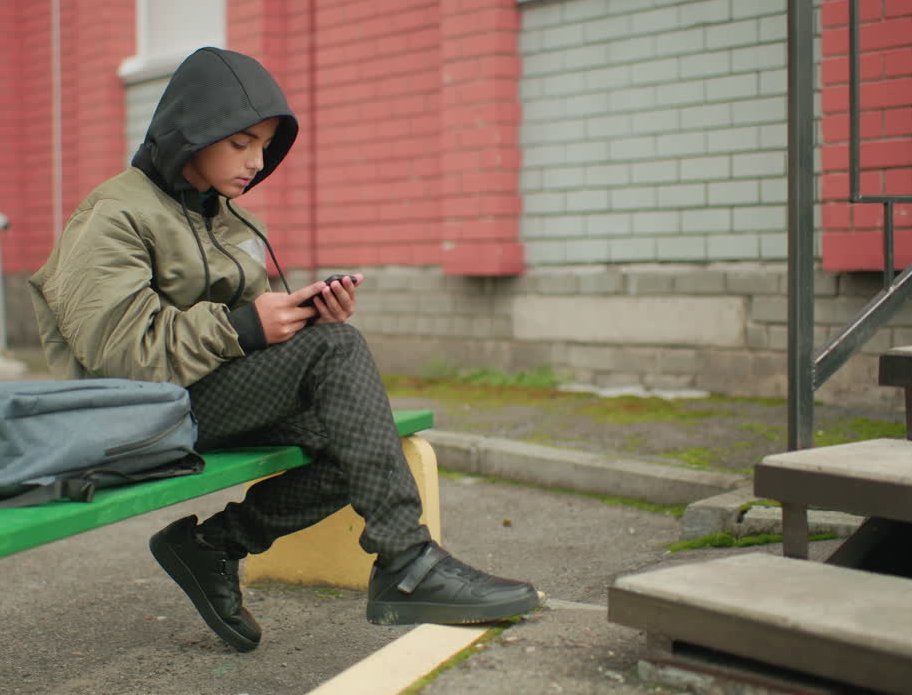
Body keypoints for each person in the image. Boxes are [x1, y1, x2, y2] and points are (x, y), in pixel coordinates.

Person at [29, 46, 543, 652]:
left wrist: (301, 318)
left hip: (199, 400)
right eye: (242, 142)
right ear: (194, 131)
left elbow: (254, 337)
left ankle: (212, 546)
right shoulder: (114, 213)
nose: (257, 160)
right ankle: (409, 563)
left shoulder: (230, 222)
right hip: (133, 416)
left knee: (346, 424)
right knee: (337, 354)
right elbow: (118, 353)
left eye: (266, 145)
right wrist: (248, 328)